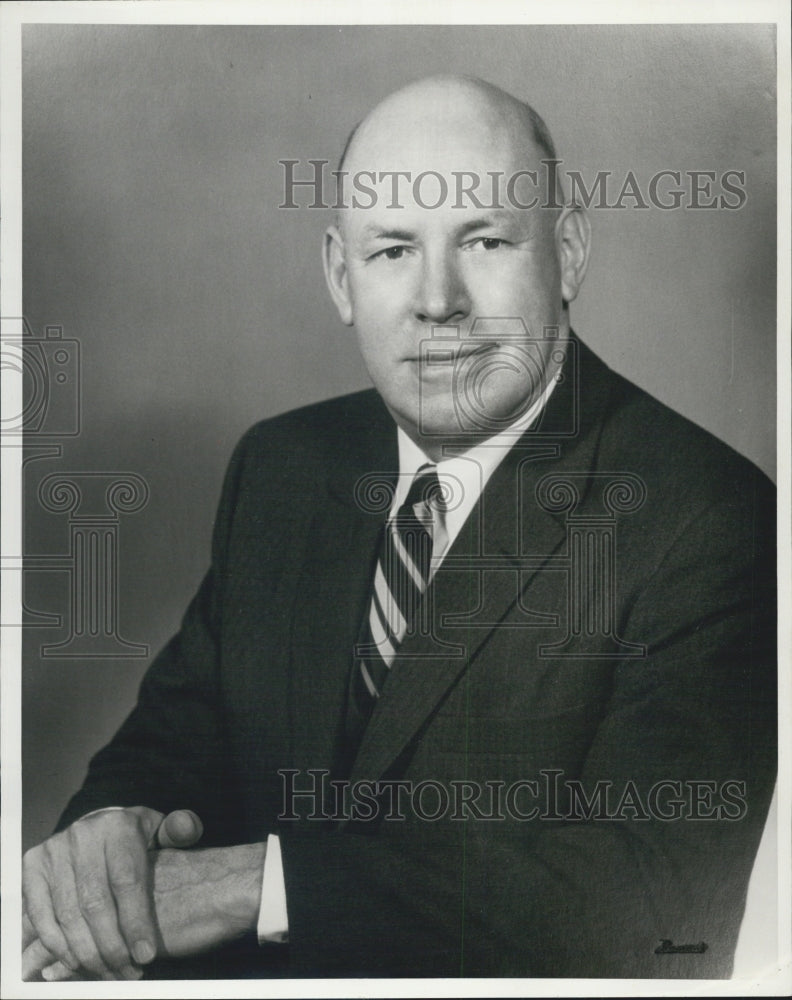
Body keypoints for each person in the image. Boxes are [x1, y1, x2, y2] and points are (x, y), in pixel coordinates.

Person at [22, 75, 776, 981]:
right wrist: (109, 836)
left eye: (487, 240)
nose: (438, 300)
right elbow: (169, 749)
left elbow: (658, 907)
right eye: (391, 252)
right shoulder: (284, 467)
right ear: (342, 278)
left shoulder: (706, 516)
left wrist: (257, 887)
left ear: (569, 253)